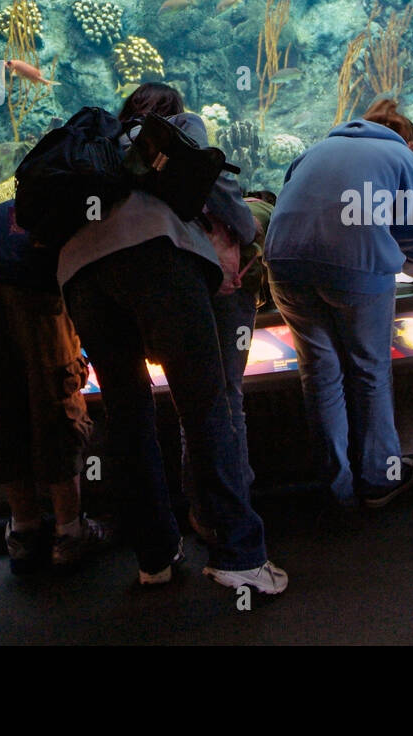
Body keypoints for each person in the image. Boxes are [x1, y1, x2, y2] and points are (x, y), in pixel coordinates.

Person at [57, 84, 286, 593]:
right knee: (204, 406)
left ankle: (154, 556)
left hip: (80, 276)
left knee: (129, 414)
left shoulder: (97, 147)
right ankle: (240, 556)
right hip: (156, 260)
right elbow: (217, 191)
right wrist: (248, 228)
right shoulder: (177, 129)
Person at [265, 99, 413, 508]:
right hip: (355, 268)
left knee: (320, 373)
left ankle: (334, 487)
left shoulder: (314, 150)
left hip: (283, 265)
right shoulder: (402, 157)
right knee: (370, 371)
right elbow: (412, 246)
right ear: (408, 140)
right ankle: (378, 477)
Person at [0, 199, 108, 573]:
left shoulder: (16, 211)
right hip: (35, 286)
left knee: (0, 397)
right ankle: (70, 534)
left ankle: (24, 532)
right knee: (55, 399)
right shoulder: (86, 212)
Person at [183, 189, 276, 545]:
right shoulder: (264, 211)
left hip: (192, 290)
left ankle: (201, 505)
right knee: (229, 398)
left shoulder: (199, 210)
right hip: (231, 297)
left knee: (194, 400)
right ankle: (236, 500)